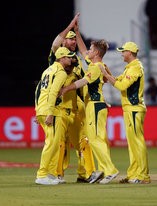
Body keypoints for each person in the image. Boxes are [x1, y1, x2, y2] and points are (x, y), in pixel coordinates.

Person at [60, 22, 119, 184]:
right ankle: (106, 170)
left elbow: (83, 82)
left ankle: (110, 170)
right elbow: (82, 50)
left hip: (95, 105)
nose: (88, 52)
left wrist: (66, 89)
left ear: (97, 53)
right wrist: (77, 33)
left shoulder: (95, 67)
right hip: (97, 105)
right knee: (97, 139)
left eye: (91, 50)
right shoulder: (97, 64)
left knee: (94, 139)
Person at [48, 13, 98, 183]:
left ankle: (86, 174)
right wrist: (70, 27)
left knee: (83, 141)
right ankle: (58, 174)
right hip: (60, 109)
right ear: (64, 42)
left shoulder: (75, 60)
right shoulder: (57, 57)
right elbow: (55, 43)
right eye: (70, 39)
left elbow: (84, 82)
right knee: (61, 143)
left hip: (75, 109)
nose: (73, 42)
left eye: (74, 40)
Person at [99, 41, 151, 184]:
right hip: (130, 109)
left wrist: (105, 74)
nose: (121, 54)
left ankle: (142, 176)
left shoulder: (135, 68)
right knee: (133, 144)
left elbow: (121, 86)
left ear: (130, 52)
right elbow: (117, 80)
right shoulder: (130, 67)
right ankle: (134, 174)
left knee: (137, 143)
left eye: (123, 51)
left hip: (134, 109)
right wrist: (107, 71)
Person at [35, 47, 75, 185]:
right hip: (51, 110)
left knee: (55, 142)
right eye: (69, 57)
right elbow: (53, 93)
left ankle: (51, 174)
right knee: (51, 142)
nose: (71, 59)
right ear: (62, 58)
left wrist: (38, 110)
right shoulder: (61, 72)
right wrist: (50, 112)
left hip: (42, 108)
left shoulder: (47, 70)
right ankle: (42, 175)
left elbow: (38, 90)